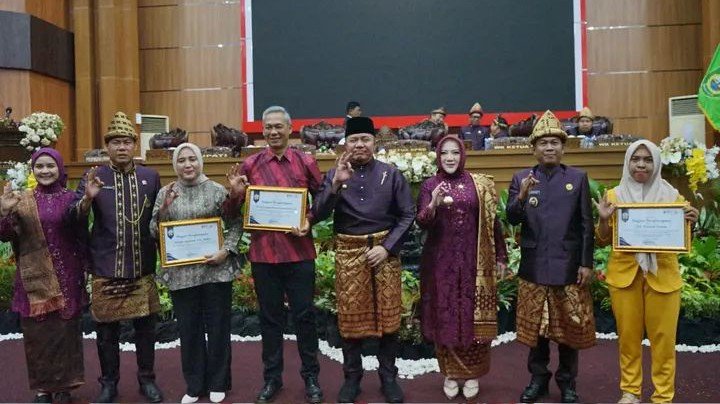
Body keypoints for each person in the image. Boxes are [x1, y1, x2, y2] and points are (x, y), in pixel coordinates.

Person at [225, 106, 324, 404]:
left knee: (305, 318)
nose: (273, 132)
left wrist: (309, 219)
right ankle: (272, 378)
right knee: (269, 320)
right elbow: (231, 214)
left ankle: (311, 378)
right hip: (264, 256)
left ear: (290, 129)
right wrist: (235, 195)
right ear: (263, 130)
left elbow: (322, 198)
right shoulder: (250, 164)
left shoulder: (306, 161)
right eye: (268, 127)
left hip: (299, 254)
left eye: (279, 126)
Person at [314, 116, 415, 403]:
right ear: (345, 144)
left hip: (384, 254)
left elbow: (408, 213)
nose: (359, 144)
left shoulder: (391, 174)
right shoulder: (334, 174)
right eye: (354, 139)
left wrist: (387, 247)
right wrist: (335, 185)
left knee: (389, 319)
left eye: (365, 139)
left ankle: (388, 378)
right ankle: (352, 379)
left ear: (374, 143)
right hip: (349, 254)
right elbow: (317, 213)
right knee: (349, 321)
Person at [595, 140, 698, 403]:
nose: (641, 164)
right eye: (636, 159)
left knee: (664, 340)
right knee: (628, 338)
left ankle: (663, 395)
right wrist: (604, 219)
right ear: (627, 162)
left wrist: (691, 224)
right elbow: (603, 240)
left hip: (663, 277)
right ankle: (631, 391)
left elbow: (682, 241)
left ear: (657, 163)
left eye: (648, 159)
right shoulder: (614, 196)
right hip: (624, 278)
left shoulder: (673, 198)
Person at [73, 112, 163, 403]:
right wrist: (87, 198)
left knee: (145, 329)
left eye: (126, 142)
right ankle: (109, 384)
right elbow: (73, 219)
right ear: (107, 146)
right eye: (116, 142)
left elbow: (159, 220)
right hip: (106, 266)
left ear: (134, 145)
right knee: (106, 332)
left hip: (141, 267)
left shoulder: (150, 177)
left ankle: (147, 380)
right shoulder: (94, 176)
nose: (122, 147)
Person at [506, 110, 596, 403]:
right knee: (537, 331)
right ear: (533, 148)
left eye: (554, 142)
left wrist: (586, 263)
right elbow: (512, 218)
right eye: (543, 143)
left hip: (568, 267)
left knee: (569, 329)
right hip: (534, 267)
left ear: (563, 147)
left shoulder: (577, 178)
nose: (549, 148)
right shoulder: (522, 178)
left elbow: (586, 224)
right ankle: (538, 379)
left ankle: (567, 382)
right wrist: (521, 196)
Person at [149, 143, 243, 404]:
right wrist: (164, 211)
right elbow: (153, 231)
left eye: (192, 159)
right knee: (189, 330)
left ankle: (218, 382)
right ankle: (194, 385)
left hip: (215, 271)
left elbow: (236, 224)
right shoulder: (166, 192)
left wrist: (226, 251)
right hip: (181, 274)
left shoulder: (216, 191)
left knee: (218, 328)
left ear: (200, 161)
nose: (187, 164)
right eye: (181, 160)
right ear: (175, 165)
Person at [416, 136, 508, 400]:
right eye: (444, 153)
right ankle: (450, 373)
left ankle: (471, 374)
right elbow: (421, 222)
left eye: (455, 152)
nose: (450, 158)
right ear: (438, 156)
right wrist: (432, 205)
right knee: (444, 315)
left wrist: (501, 256)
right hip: (440, 264)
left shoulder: (478, 184)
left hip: (474, 262)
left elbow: (492, 222)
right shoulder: (430, 185)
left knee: (472, 317)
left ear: (463, 155)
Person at [0, 148, 88, 403]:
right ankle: (42, 389)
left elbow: (81, 235)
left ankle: (64, 387)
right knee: (38, 335)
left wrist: (86, 270)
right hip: (33, 279)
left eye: (50, 166)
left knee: (65, 333)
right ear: (33, 170)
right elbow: (5, 235)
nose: (45, 171)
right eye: (39, 166)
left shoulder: (71, 199)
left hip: (67, 275)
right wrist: (4, 212)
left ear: (60, 168)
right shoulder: (22, 199)